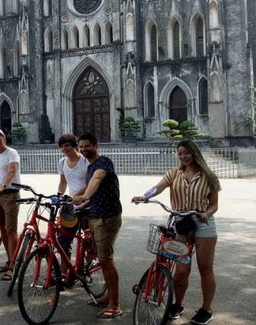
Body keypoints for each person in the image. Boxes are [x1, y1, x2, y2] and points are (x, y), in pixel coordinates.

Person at [132, 140, 220, 325]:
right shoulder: (174, 174)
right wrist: (144, 196)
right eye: (180, 153)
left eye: (186, 152)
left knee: (205, 268)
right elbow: (158, 187)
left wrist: (206, 213)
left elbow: (214, 204)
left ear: (194, 153)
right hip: (180, 224)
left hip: (203, 224)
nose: (183, 156)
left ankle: (206, 309)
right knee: (181, 271)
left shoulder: (209, 176)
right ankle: (178, 305)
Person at [72, 132, 123, 319]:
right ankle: (109, 296)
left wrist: (84, 196)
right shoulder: (90, 166)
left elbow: (96, 180)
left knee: (105, 259)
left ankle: (115, 305)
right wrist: (69, 198)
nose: (84, 149)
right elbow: (87, 187)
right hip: (94, 216)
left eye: (87, 146)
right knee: (100, 257)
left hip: (107, 218)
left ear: (96, 145)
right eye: (81, 147)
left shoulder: (103, 163)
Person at [0, 128, 21, 281]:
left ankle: (14, 265)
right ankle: (9, 260)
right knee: (2, 228)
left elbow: (12, 171)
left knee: (11, 230)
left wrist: (3, 185)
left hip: (10, 194)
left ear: (4, 139)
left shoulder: (11, 153)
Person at [55, 134, 89, 260]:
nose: (64, 149)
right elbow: (63, 182)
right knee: (63, 239)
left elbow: (90, 183)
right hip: (70, 204)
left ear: (75, 146)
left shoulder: (85, 161)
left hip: (87, 202)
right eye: (62, 146)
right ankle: (65, 272)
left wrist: (75, 195)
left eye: (67, 145)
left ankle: (89, 260)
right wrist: (59, 196)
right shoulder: (62, 162)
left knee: (88, 237)